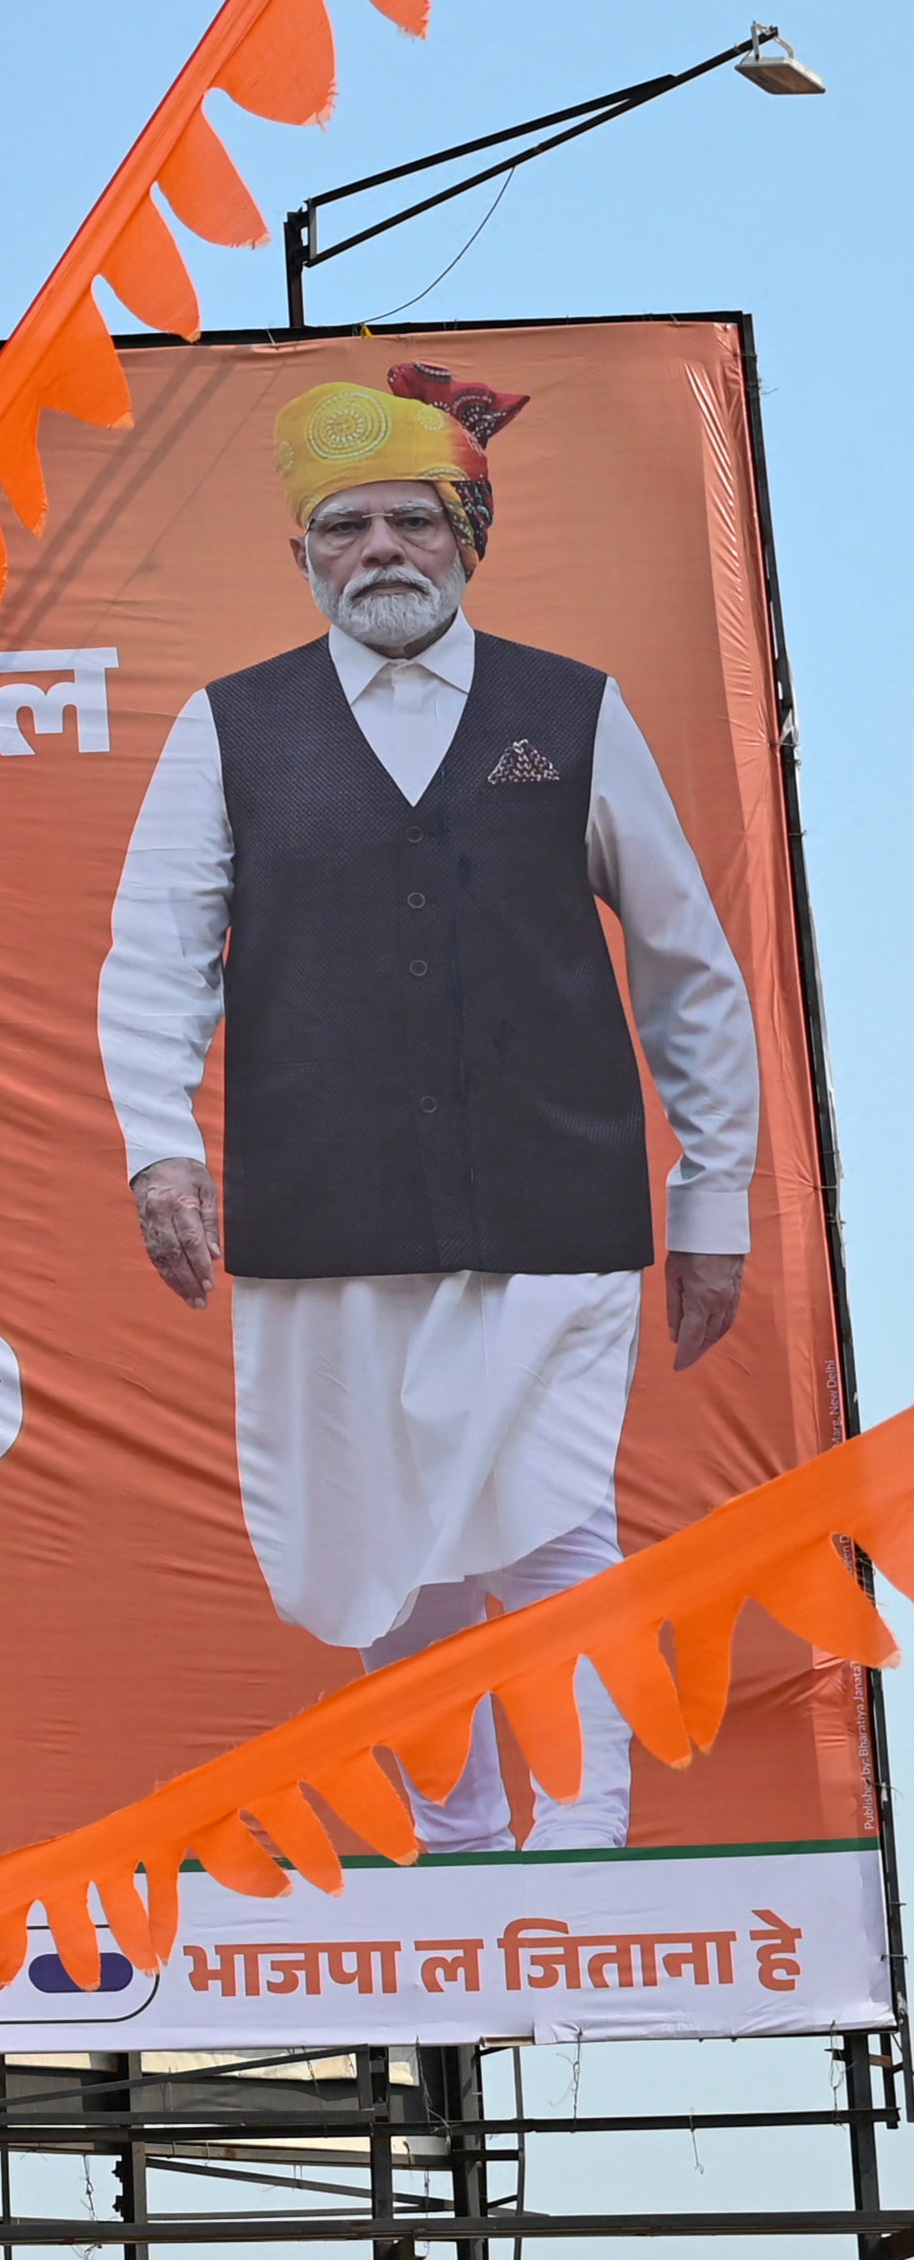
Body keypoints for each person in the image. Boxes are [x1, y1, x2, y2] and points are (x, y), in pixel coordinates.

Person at [97, 358, 761, 1852]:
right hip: (320, 1207)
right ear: (298, 556)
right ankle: (458, 1829)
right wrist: (158, 1150)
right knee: (371, 1548)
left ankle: (581, 1837)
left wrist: (707, 1200)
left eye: (411, 521)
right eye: (344, 528)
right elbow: (151, 959)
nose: (378, 551)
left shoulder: (566, 711)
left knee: (549, 1513)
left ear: (468, 537)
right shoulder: (227, 727)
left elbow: (686, 971)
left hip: (552, 1196)